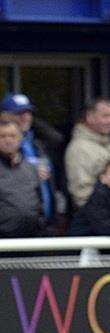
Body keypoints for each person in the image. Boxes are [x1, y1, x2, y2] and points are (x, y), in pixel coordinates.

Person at [1, 95, 64, 231]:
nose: (25, 117)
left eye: (28, 113)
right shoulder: (5, 147)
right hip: (9, 229)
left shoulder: (37, 142)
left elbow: (57, 138)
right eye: (18, 113)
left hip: (42, 223)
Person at [65, 99, 110, 208]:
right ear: (90, 117)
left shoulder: (107, 144)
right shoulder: (79, 148)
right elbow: (81, 194)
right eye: (105, 116)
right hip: (95, 217)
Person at [0, 117, 45, 239]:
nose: (8, 140)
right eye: (3, 136)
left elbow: (40, 201)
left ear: (20, 139)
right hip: (4, 243)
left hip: (32, 240)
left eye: (12, 136)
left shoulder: (31, 168)